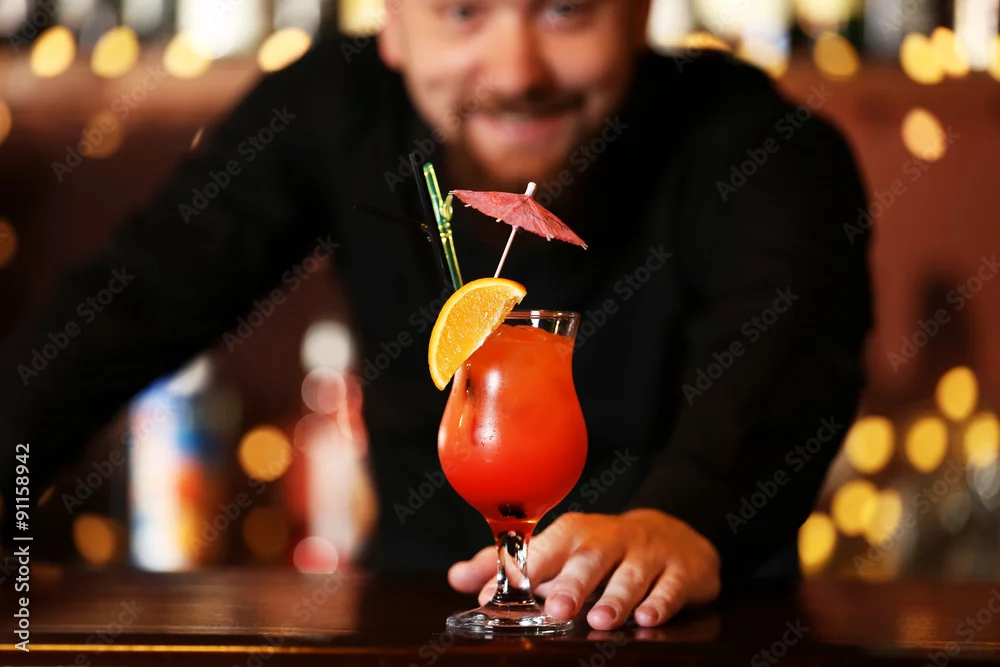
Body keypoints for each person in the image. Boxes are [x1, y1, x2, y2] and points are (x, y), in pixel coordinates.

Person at [0, 0, 872, 631]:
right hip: (416, 620)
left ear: (640, 11)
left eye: (566, 10)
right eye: (461, 11)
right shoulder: (331, 108)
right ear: (392, 20)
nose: (517, 72)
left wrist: (680, 517)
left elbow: (792, 345)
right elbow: (134, 296)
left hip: (690, 628)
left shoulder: (756, 142)